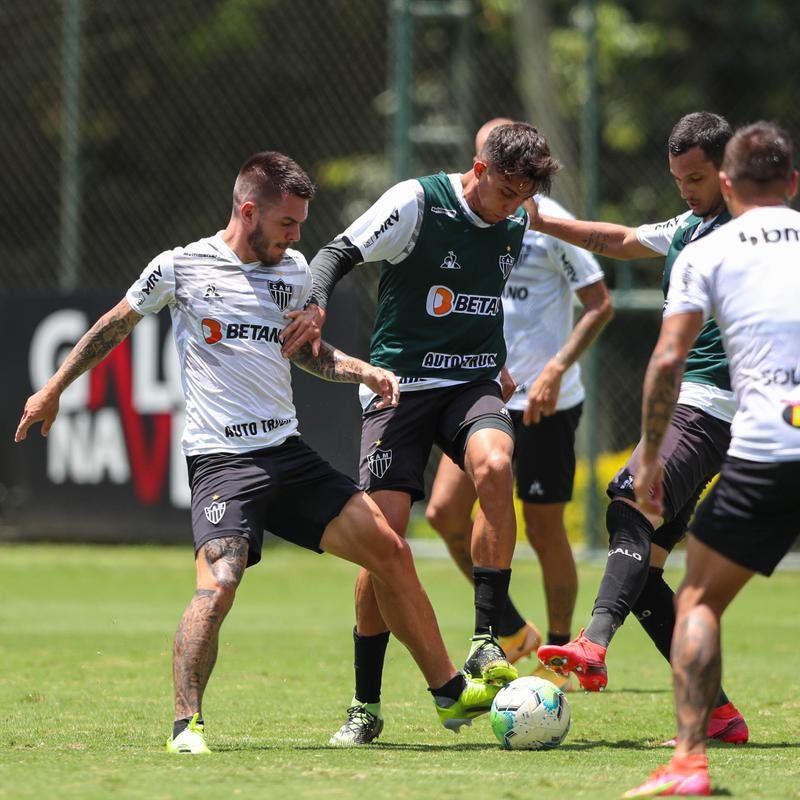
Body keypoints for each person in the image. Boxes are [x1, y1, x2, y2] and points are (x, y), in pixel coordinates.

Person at [14, 150, 503, 754]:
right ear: (248, 212)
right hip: (223, 462)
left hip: (288, 454)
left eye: (300, 225)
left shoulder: (293, 270)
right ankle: (186, 725)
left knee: (390, 550)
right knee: (218, 585)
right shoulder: (182, 267)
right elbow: (113, 326)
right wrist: (52, 389)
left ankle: (449, 692)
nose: (298, 237)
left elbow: (306, 353)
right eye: (287, 224)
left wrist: (361, 372)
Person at [281, 123, 562, 745]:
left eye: (524, 196)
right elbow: (334, 252)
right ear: (478, 168)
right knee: (382, 543)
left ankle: (487, 641)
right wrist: (316, 304)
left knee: (495, 465)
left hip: (473, 383)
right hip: (398, 388)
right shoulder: (416, 202)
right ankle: (365, 705)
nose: (513, 205)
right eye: (506, 191)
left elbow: (490, 296)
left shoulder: (517, 221)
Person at [535, 112, 748, 743]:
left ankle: (594, 643)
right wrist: (543, 220)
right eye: (679, 177)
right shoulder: (691, 224)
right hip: (699, 410)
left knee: (631, 499)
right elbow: (621, 239)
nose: (687, 188)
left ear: (728, 170)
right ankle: (719, 713)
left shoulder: (754, 232)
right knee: (647, 570)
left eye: (698, 177)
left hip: (711, 409)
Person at [623, 121, 800, 797]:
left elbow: (669, 358)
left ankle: (691, 762)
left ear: (726, 184)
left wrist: (647, 459)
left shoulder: (709, 250)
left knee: (696, 599)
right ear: (792, 184)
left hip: (765, 448)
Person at [425, 118, 613, 689]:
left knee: (545, 528)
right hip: (481, 393)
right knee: (443, 515)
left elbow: (599, 304)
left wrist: (556, 368)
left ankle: (560, 650)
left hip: (546, 404)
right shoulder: (460, 217)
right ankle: (509, 629)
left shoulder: (545, 222)